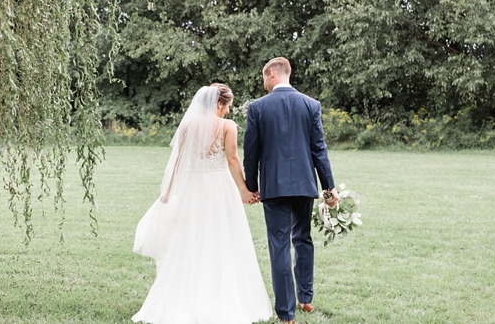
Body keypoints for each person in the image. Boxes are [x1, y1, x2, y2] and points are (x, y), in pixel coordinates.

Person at [132, 83, 273, 324]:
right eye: (227, 106)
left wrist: (169, 190)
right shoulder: (228, 126)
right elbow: (232, 160)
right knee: (222, 239)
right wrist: (244, 190)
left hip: (193, 188)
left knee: (191, 239)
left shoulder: (188, 125)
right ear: (219, 103)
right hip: (220, 188)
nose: (228, 111)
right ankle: (218, 294)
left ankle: (190, 293)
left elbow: (177, 161)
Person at [243, 57, 340, 324]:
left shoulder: (258, 108)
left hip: (273, 187)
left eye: (264, 77)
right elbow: (319, 150)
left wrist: (252, 187)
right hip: (304, 186)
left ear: (272, 74)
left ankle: (286, 314)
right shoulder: (311, 105)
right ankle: (305, 299)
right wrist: (328, 190)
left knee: (279, 245)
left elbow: (250, 153)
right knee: (303, 238)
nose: (263, 83)